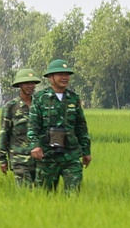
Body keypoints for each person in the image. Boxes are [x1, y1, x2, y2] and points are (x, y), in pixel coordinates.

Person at [26, 57, 92, 192]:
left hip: (71, 155)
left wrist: (86, 151)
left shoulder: (73, 98)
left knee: (73, 194)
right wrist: (35, 146)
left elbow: (81, 127)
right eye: (60, 74)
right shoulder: (40, 98)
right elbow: (33, 126)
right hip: (47, 156)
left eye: (67, 74)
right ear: (50, 77)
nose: (65, 77)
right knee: (44, 196)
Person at [0, 69, 40, 186]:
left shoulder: (40, 105)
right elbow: (4, 133)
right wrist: (1, 158)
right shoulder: (11, 107)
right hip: (19, 159)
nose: (30, 86)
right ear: (20, 85)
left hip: (40, 158)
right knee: (25, 192)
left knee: (42, 193)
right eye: (27, 83)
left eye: (32, 83)